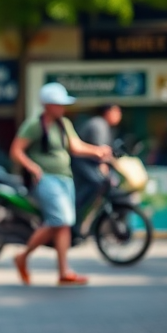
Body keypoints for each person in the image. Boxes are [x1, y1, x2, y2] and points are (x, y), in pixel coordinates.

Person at [10, 82, 112, 287]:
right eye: (58, 104)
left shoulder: (63, 123)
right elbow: (16, 150)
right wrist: (32, 167)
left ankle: (64, 271)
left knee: (64, 225)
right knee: (60, 219)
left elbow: (75, 146)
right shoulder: (35, 124)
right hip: (46, 179)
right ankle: (23, 256)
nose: (62, 108)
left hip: (66, 177)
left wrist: (97, 151)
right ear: (47, 105)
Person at [72, 104, 122, 225]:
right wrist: (103, 164)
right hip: (82, 164)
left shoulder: (104, 126)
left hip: (88, 164)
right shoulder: (98, 124)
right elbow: (99, 151)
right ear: (108, 112)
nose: (119, 115)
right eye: (116, 111)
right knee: (97, 183)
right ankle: (76, 219)